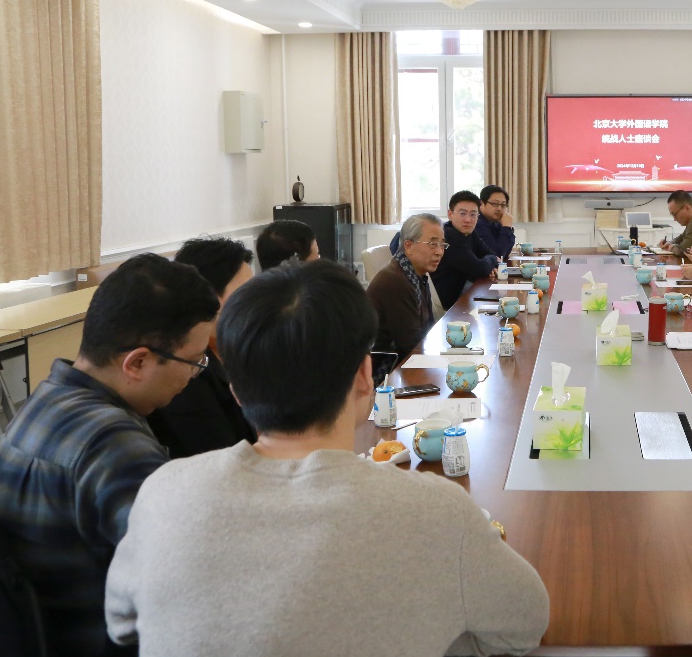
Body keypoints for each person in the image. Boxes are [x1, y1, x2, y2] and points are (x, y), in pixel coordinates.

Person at [105, 261, 550, 657]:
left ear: (236, 388)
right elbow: (524, 625)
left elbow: (123, 624)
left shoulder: (162, 493)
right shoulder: (437, 511)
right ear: (364, 375)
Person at [0, 254, 219, 656]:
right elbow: (186, 589)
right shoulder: (116, 447)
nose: (195, 374)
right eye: (194, 361)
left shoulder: (43, 400)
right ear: (137, 362)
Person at [146, 237, 257, 459]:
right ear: (208, 296)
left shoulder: (235, 344)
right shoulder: (187, 369)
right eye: (246, 292)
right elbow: (219, 455)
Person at [367, 213, 444, 358]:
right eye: (433, 244)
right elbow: (410, 346)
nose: (439, 252)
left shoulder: (415, 272)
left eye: (442, 245)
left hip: (410, 355)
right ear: (409, 246)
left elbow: (429, 326)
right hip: (388, 365)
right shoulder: (396, 282)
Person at [429, 190, 499, 308]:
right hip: (448, 303)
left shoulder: (469, 232)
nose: (468, 220)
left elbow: (491, 254)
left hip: (463, 292)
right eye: (462, 213)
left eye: (473, 214)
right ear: (450, 214)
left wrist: (489, 261)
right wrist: (491, 261)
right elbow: (479, 270)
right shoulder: (449, 235)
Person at [476, 184, 517, 257]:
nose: (499, 209)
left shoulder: (495, 222)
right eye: (495, 204)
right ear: (482, 204)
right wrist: (506, 227)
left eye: (503, 205)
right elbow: (497, 255)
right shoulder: (477, 224)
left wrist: (508, 228)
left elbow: (506, 251)